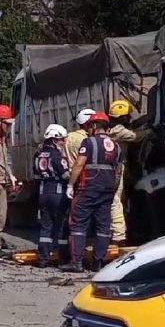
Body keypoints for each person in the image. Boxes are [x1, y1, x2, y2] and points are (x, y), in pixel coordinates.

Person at [61, 112, 122, 273]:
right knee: (103, 226)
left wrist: (70, 185)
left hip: (89, 187)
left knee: (78, 224)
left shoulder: (88, 142)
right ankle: (98, 263)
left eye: (89, 126)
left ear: (94, 126)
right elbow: (119, 170)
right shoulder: (116, 145)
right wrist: (113, 188)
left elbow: (79, 164)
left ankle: (77, 263)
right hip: (108, 189)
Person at [108, 99, 147, 245]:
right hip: (118, 168)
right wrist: (152, 131)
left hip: (116, 167)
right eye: (127, 115)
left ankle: (119, 231)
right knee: (116, 201)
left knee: (118, 201)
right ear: (122, 117)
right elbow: (136, 136)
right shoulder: (119, 130)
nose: (130, 117)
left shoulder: (111, 128)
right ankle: (119, 236)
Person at [33, 124, 70, 267]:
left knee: (45, 227)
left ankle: (43, 259)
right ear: (54, 140)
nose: (63, 142)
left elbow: (36, 177)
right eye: (61, 139)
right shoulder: (57, 155)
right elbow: (65, 175)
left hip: (43, 192)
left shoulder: (38, 155)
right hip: (57, 193)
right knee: (61, 226)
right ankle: (63, 259)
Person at [0, 104, 16, 247]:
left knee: (2, 217)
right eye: (6, 123)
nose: (9, 127)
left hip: (2, 182)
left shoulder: (3, 140)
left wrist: (10, 175)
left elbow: (5, 161)